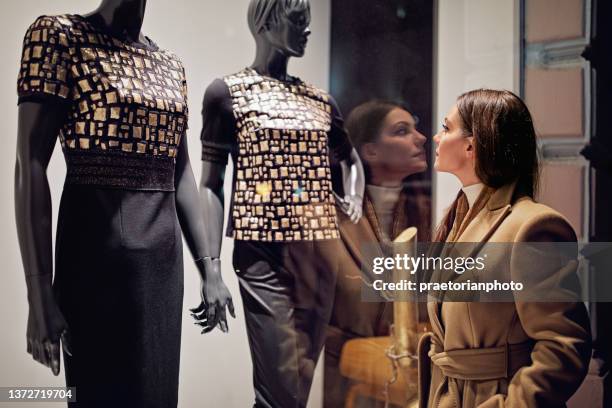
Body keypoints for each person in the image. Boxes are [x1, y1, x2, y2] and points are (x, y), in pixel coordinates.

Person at [15, 1, 232, 406]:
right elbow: (30, 164)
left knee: (158, 394)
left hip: (163, 265)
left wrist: (210, 268)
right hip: (96, 256)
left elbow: (179, 170)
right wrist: (38, 292)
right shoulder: (60, 37)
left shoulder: (170, 66)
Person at [196, 0, 366, 406]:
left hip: (318, 255)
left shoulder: (319, 101)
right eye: (298, 21)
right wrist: (211, 268)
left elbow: (351, 159)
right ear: (268, 22)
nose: (307, 31)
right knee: (280, 390)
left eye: (308, 23)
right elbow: (210, 185)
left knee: (295, 391)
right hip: (262, 253)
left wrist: (354, 196)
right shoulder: (227, 93)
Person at [418, 89, 592, 407]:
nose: (435, 137)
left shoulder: (533, 227)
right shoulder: (458, 221)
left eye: (446, 127)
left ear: (472, 144)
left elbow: (563, 346)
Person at [324, 100, 431, 408]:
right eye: (402, 131)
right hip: (348, 382)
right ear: (370, 151)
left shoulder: (427, 211)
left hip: (412, 381)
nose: (421, 138)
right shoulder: (329, 216)